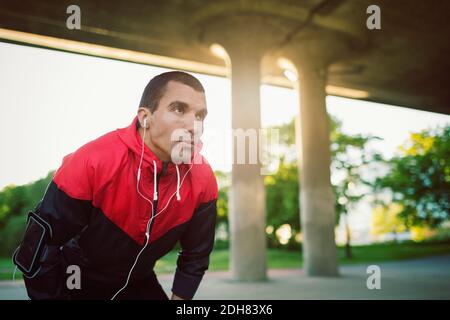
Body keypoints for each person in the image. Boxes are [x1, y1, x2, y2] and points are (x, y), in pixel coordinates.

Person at [13, 71, 218, 300]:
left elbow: (196, 256)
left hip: (138, 280)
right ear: (145, 117)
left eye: (200, 115)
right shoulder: (92, 161)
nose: (193, 126)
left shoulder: (203, 177)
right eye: (179, 109)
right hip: (78, 277)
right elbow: (39, 248)